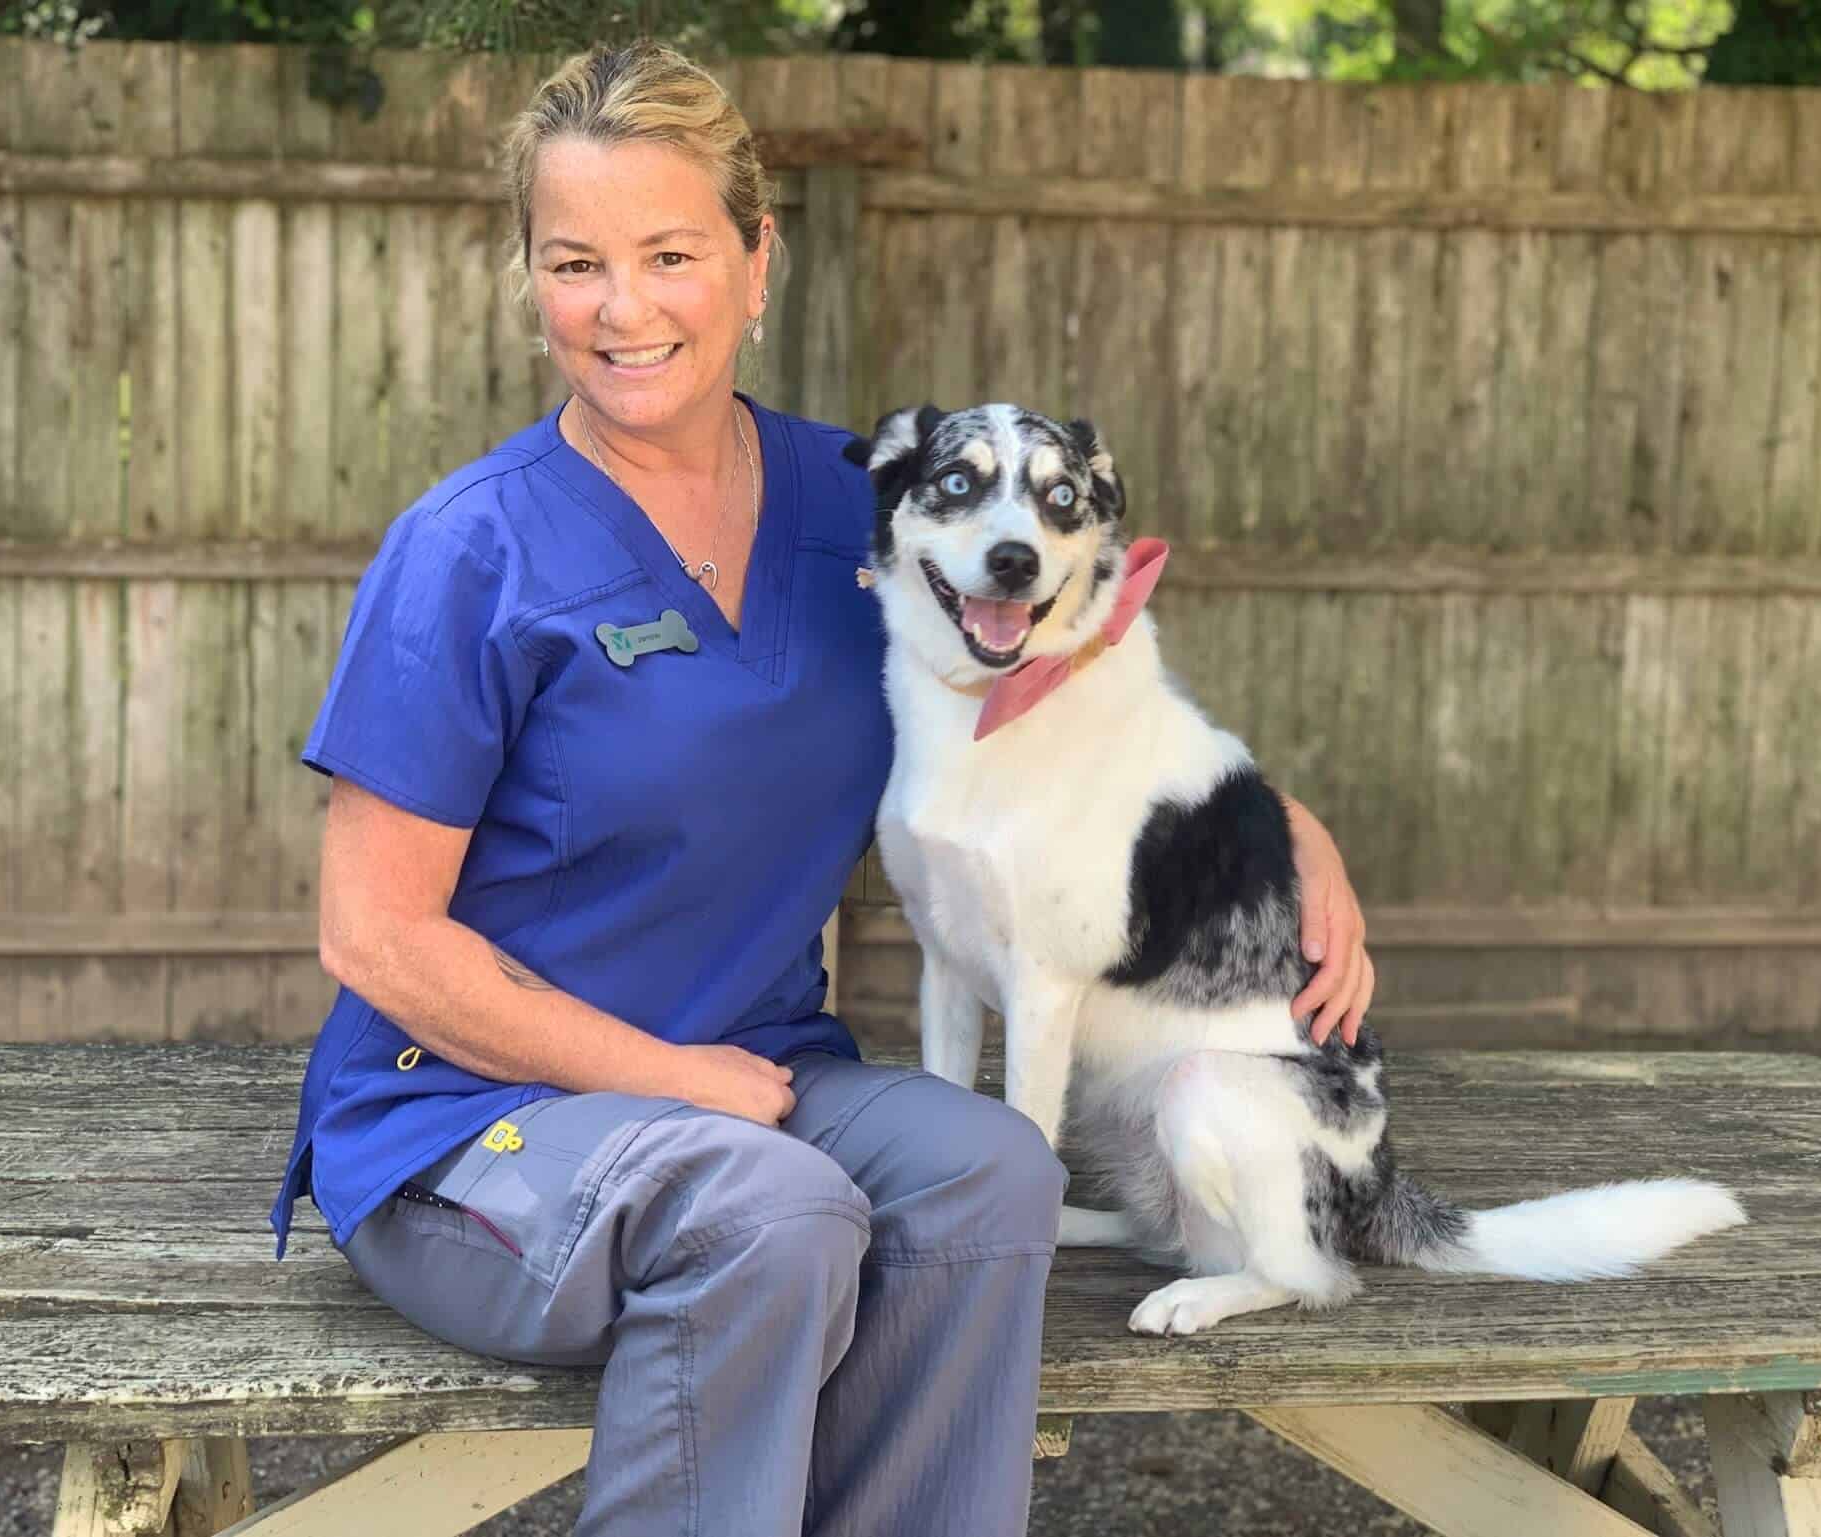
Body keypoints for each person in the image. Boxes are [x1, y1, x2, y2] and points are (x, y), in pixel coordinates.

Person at [268, 40, 1376, 1537]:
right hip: (471, 1129)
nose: (622, 306)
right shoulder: (469, 550)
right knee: (771, 1210)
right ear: (530, 278)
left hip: (758, 1083)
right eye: (574, 260)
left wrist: (1287, 832)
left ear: (753, 258)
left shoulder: (864, 509)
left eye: (669, 253)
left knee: (989, 1167)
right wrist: (668, 1081)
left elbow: (1089, 683)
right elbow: (373, 940)